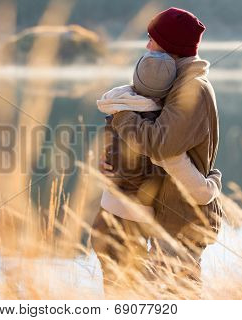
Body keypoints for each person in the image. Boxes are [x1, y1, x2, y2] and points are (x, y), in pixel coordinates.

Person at [91, 7, 224, 289]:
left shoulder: (192, 89)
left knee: (177, 297)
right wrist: (115, 163)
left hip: (183, 220)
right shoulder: (173, 83)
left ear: (170, 46)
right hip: (168, 214)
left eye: (152, 39)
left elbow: (161, 146)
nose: (147, 45)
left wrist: (122, 113)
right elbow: (156, 149)